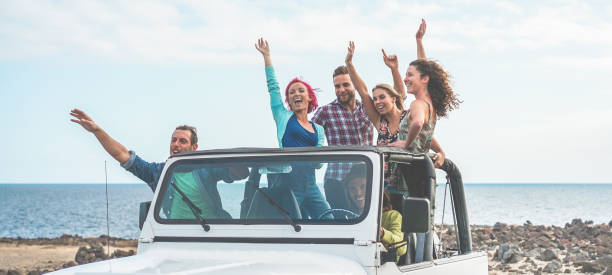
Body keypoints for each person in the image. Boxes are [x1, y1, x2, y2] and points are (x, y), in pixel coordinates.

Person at [69, 108, 249, 219]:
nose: (176, 144)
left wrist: (220, 159)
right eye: (174, 140)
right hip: (175, 237)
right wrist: (96, 130)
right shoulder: (158, 172)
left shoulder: (207, 169)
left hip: (214, 234)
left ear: (194, 147)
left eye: (182, 141)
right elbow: (123, 154)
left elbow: (242, 173)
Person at [255, 38, 331, 219]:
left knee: (327, 219)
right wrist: (267, 57)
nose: (296, 94)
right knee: (291, 223)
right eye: (292, 92)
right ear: (288, 100)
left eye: (300, 91)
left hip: (311, 185)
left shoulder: (318, 129)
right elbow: (273, 87)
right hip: (288, 184)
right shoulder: (283, 116)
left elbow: (319, 163)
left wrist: (315, 157)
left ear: (310, 98)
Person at [311, 65, 374, 209]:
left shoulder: (368, 108)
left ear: (355, 85)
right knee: (343, 223)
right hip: (337, 181)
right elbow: (307, 134)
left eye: (346, 84)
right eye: (337, 86)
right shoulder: (325, 111)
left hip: (367, 178)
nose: (341, 89)